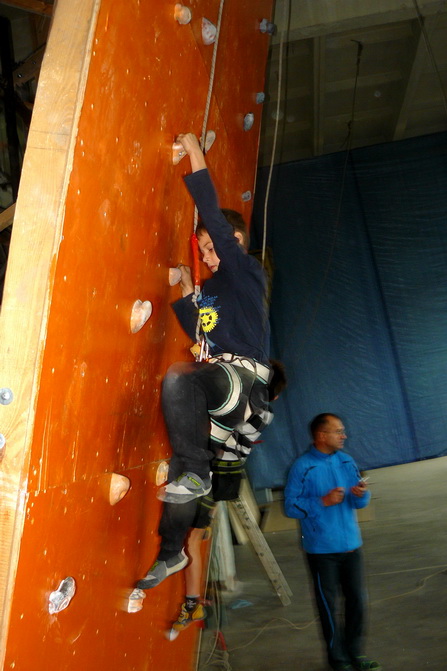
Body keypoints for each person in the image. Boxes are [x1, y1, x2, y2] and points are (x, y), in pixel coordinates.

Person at [136, 132, 271, 590]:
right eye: (205, 252)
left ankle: (195, 472)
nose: (210, 258)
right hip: (222, 386)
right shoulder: (213, 290)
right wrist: (181, 286)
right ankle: (171, 552)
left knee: (179, 381)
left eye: (214, 248)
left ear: (233, 241)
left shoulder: (246, 271)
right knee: (182, 469)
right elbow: (199, 329)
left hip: (243, 380)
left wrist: (195, 152)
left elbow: (211, 213)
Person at [167, 360, 287, 639]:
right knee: (194, 536)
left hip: (219, 473)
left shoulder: (252, 409)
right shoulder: (263, 411)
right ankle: (193, 601)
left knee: (192, 540)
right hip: (225, 474)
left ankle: (192, 604)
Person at [284, 413, 381, 671]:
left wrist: (362, 494)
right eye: (338, 431)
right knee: (328, 607)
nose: (344, 435)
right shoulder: (302, 467)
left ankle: (355, 654)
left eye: (343, 430)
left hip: (351, 545)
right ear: (321, 436)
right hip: (321, 550)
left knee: (357, 602)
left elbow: (359, 501)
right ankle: (338, 661)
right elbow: (290, 506)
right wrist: (321, 502)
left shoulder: (347, 461)